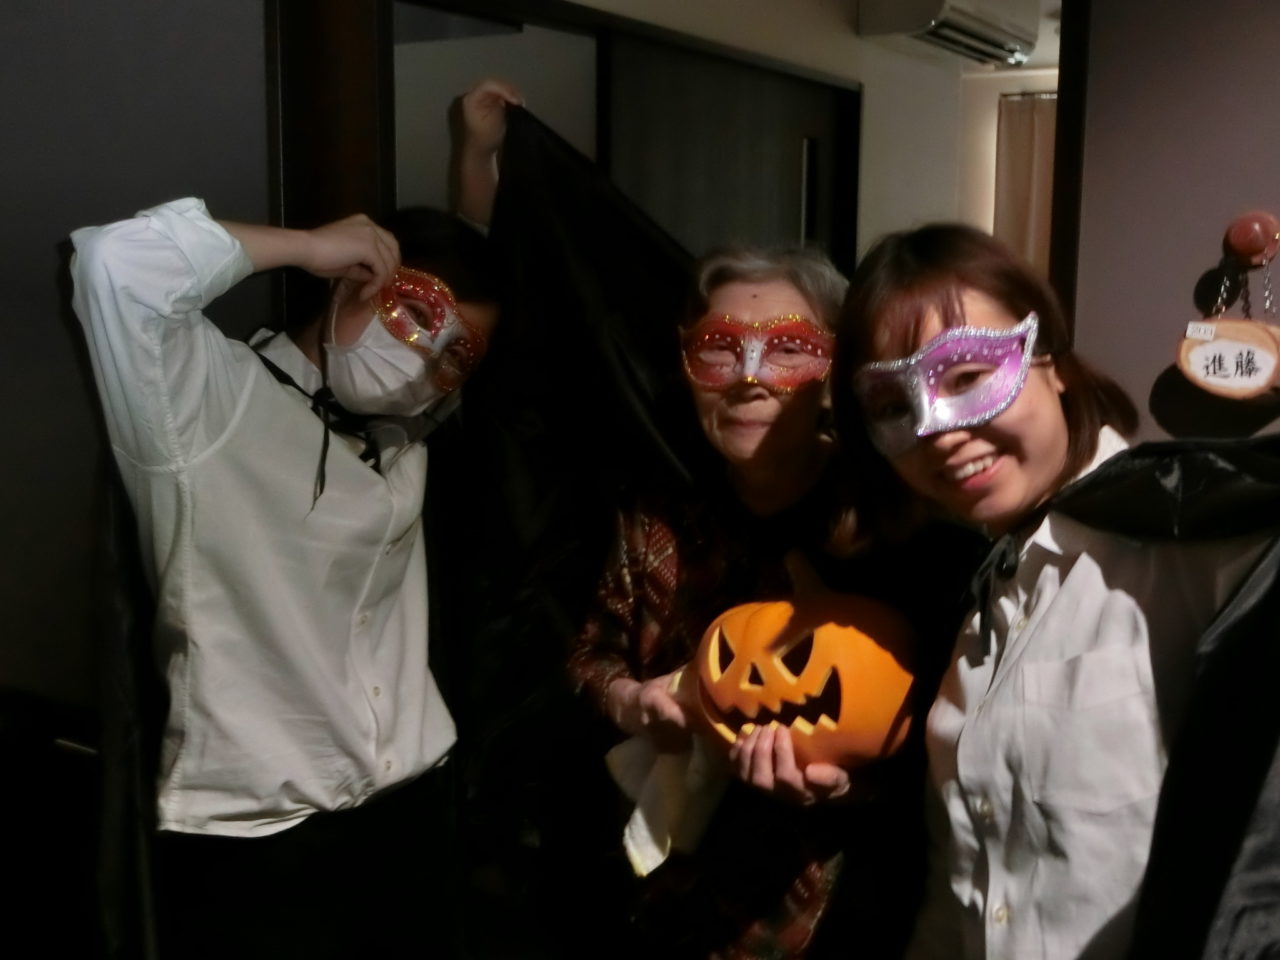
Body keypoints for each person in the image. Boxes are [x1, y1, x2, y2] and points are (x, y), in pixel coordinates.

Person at [831, 223, 1280, 959]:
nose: (937, 430)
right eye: (893, 406)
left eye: (967, 376)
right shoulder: (978, 605)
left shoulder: (1208, 557)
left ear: (1052, 360)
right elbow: (957, 888)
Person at [71, 197, 499, 958]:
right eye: (412, 317)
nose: (423, 362)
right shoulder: (207, 402)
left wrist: (475, 167)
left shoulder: (410, 436)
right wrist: (303, 245)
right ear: (351, 280)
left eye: (453, 354)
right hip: (263, 844)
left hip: (415, 812)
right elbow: (115, 266)